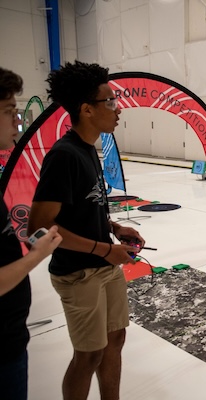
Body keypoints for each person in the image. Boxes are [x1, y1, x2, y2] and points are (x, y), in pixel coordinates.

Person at [28, 60, 145, 400]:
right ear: (87, 109)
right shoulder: (63, 155)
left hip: (104, 265)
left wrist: (114, 227)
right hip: (78, 273)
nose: (117, 109)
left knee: (115, 339)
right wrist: (105, 249)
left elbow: (81, 207)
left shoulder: (88, 149)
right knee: (89, 355)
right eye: (110, 102)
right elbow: (40, 227)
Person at [0, 67, 62, 400]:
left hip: (12, 338)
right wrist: (37, 255)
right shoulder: (64, 155)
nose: (17, 121)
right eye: (9, 111)